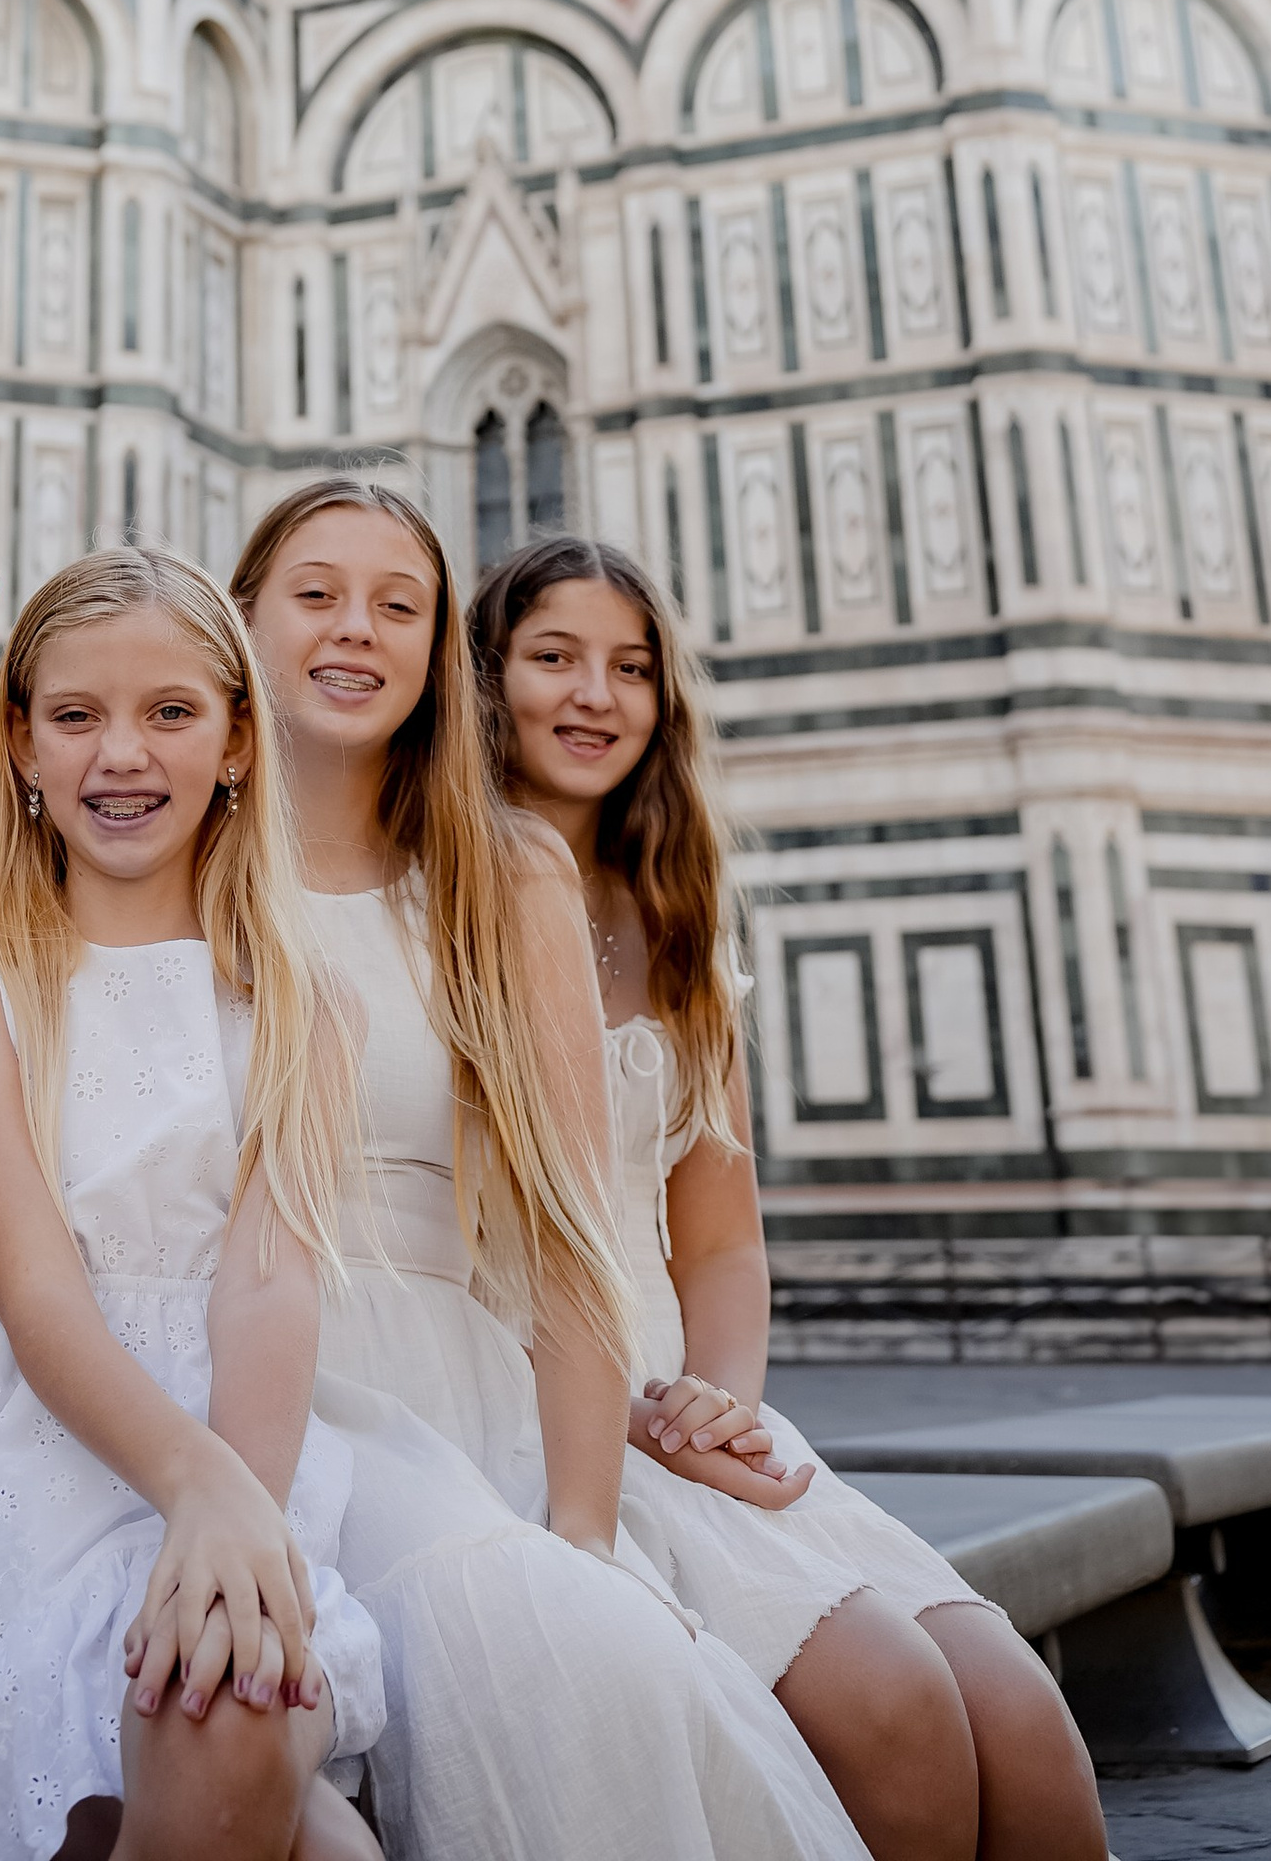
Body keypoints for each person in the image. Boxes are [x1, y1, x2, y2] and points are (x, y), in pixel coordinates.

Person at [230, 477, 865, 1861]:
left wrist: (593, 1523)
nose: (356, 630)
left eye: (399, 604)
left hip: (465, 1382)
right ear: (241, 621)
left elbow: (597, 1227)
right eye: (317, 595)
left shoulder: (495, 878)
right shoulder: (171, 854)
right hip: (234, 1384)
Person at [471, 532, 1109, 1861]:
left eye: (630, 668)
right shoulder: (443, 896)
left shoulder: (678, 918)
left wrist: (724, 1395)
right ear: (483, 679)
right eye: (554, 659)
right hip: (516, 1392)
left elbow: (719, 1239)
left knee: (1027, 1726)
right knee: (898, 1711)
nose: (595, 695)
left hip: (677, 1392)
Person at [0, 547, 384, 1861]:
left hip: (241, 1436)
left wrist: (233, 1512)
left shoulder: (308, 995)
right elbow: (31, 1281)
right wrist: (190, 1482)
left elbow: (272, 1279)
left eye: (169, 712)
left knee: (228, 1714)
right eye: (77, 716)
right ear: (22, 743)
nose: (121, 755)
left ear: (233, 743)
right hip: (12, 1459)